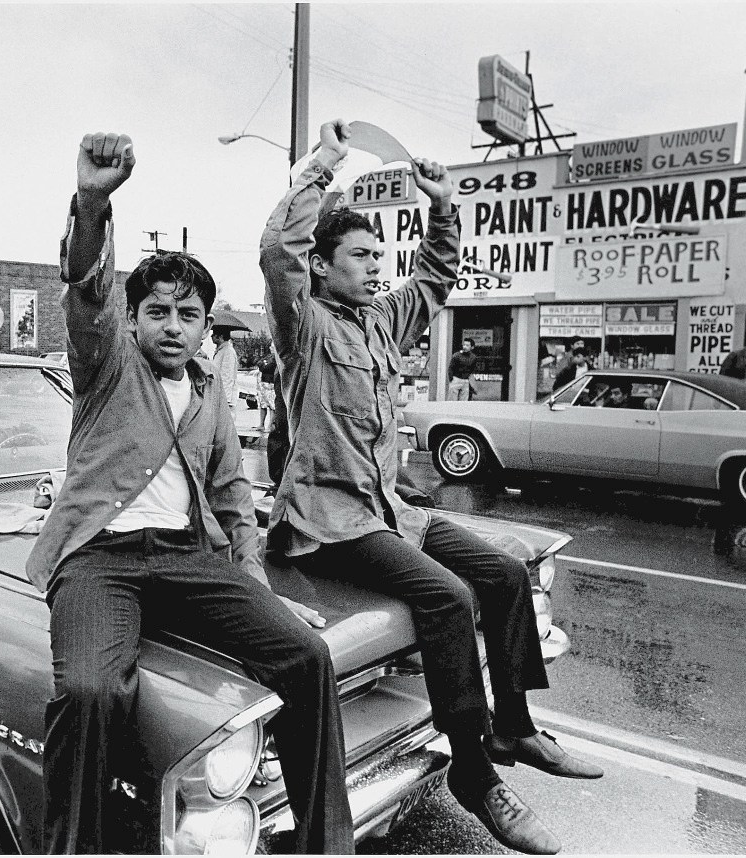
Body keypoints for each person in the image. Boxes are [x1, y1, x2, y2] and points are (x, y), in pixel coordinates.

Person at [261, 119, 602, 856]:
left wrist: (442, 203)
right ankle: (475, 778)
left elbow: (437, 276)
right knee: (447, 599)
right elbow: (275, 251)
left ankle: (513, 726)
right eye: (358, 256)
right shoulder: (305, 324)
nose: (374, 267)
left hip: (391, 512)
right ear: (320, 268)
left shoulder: (381, 321)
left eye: (377, 254)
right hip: (330, 521)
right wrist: (319, 168)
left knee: (504, 574)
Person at [25, 131, 352, 855]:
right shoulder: (106, 366)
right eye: (158, 312)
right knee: (90, 692)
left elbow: (234, 498)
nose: (173, 326)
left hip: (184, 558)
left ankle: (325, 845)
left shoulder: (210, 396)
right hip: (98, 561)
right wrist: (91, 201)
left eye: (189, 314)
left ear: (206, 326)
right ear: (134, 319)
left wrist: (258, 586)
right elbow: (84, 289)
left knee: (305, 655)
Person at [209, 325, 238, 407]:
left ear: (220, 336)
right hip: (217, 394)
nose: (211, 336)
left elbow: (227, 377)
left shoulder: (228, 352)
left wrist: (225, 399)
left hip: (225, 399)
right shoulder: (221, 350)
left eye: (214, 334)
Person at [256, 348, 277, 432]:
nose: (270, 347)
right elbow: (259, 362)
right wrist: (263, 364)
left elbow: (268, 367)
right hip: (263, 383)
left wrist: (263, 364)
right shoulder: (268, 356)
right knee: (262, 405)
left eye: (272, 345)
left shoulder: (276, 358)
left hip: (271, 384)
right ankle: (261, 424)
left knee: (272, 406)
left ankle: (270, 425)